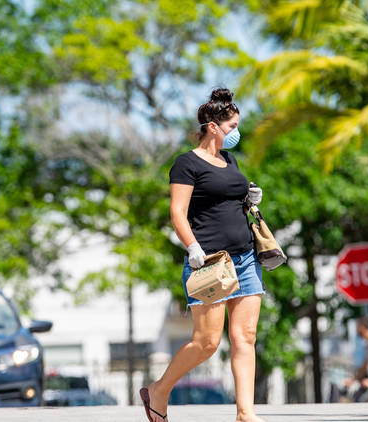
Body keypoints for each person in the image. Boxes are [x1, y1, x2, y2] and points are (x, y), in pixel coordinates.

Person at [140, 88, 265, 422]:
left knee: (246, 337)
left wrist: (250, 199)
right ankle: (159, 390)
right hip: (209, 263)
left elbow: (228, 201)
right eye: (232, 125)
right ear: (213, 127)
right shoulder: (186, 164)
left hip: (246, 259)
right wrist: (192, 247)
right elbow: (178, 212)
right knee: (208, 342)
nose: (237, 132)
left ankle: (245, 413)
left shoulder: (230, 159)